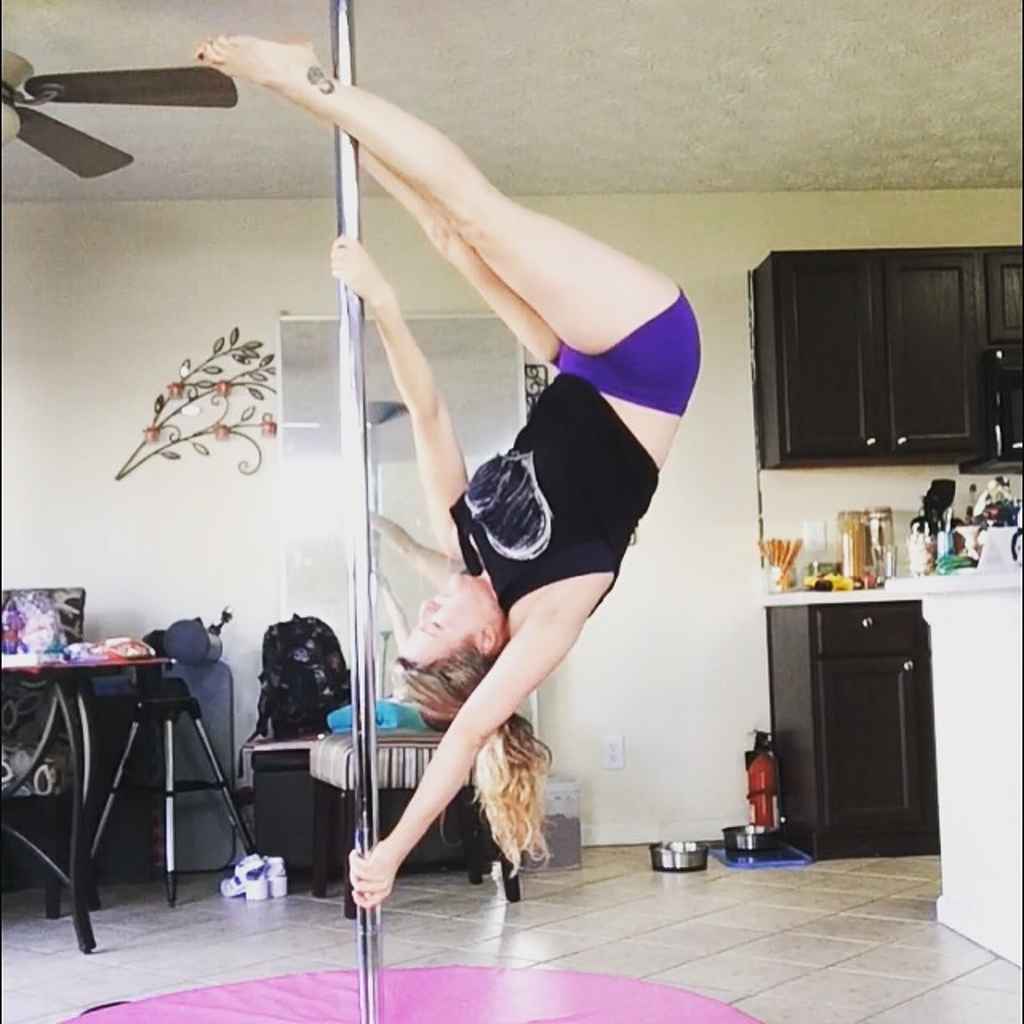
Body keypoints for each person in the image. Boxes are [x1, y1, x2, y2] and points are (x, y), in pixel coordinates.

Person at [196, 35, 701, 910]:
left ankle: (336, 113)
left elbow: (426, 412)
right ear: (485, 644)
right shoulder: (547, 616)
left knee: (447, 230)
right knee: (476, 214)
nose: (426, 610)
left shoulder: (468, 543)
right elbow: (467, 734)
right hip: (647, 358)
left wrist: (386, 301)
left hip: (577, 362)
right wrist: (389, 854)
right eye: (435, 630)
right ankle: (303, 77)